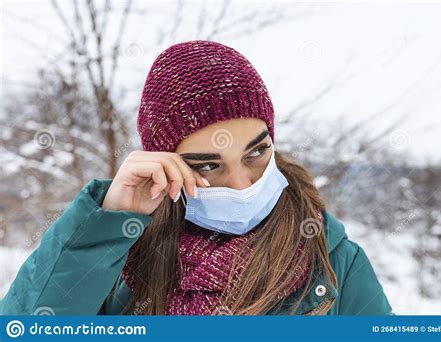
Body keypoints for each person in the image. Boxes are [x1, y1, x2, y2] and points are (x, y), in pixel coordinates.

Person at [0, 40, 392, 316]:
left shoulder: (333, 260)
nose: (242, 184)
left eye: (256, 152)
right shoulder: (124, 256)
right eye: (208, 165)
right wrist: (105, 228)